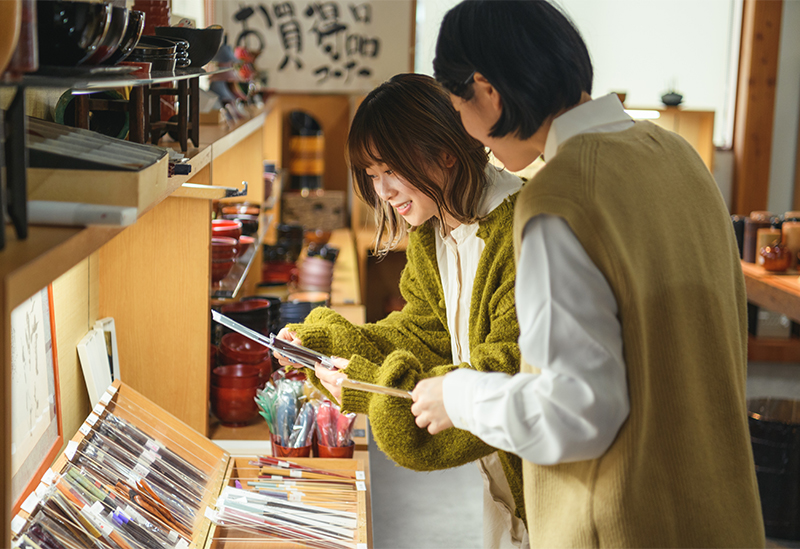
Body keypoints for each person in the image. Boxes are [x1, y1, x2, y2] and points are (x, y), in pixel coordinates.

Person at [411, 2, 765, 547]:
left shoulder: (561, 196)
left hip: (625, 525)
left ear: (486, 90)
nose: (466, 128)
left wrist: (457, 396)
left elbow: (574, 413)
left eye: (458, 103)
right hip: (719, 512)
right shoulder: (677, 155)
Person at [276, 73, 530, 548]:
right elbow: (424, 329)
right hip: (504, 484)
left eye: (390, 169)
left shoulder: (519, 230)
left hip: (550, 483)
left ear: (445, 151)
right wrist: (331, 345)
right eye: (372, 177)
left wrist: (383, 392)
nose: (383, 192)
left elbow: (507, 372)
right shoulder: (435, 232)